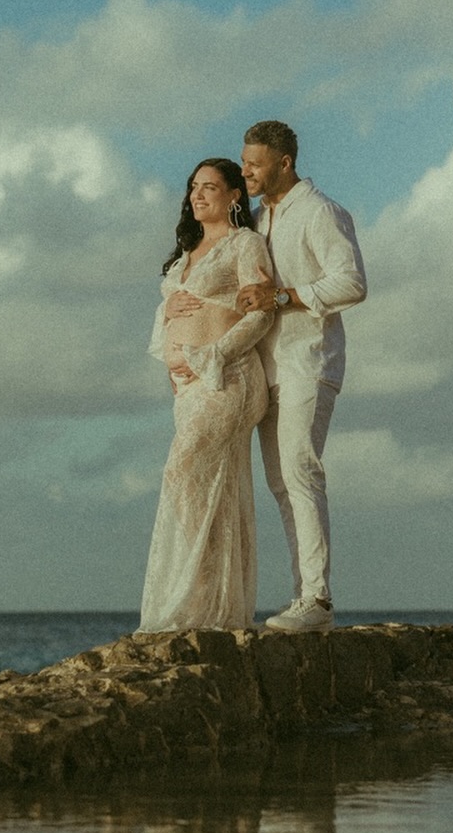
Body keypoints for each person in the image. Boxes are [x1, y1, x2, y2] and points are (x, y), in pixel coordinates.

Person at [237, 121, 367, 633]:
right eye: (244, 161)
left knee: (299, 470)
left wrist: (285, 297)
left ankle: (318, 600)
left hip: (308, 360)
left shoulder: (321, 211)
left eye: (255, 162)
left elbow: (352, 282)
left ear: (284, 163)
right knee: (280, 482)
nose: (245, 169)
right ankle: (303, 596)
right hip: (265, 365)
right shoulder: (255, 219)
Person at [137, 159, 273, 632]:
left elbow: (261, 314)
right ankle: (214, 603)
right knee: (206, 486)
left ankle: (200, 591)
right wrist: (168, 310)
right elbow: (168, 317)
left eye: (210, 187)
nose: (198, 196)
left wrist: (209, 355)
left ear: (235, 195)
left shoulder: (245, 244)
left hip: (228, 377)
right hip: (189, 389)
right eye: (194, 187)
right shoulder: (186, 254)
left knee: (182, 471)